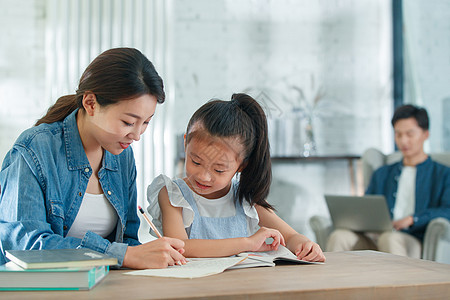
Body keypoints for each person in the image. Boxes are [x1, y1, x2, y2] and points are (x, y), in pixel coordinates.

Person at [0, 47, 186, 269]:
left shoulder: (122, 155)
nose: (136, 135)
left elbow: (127, 241)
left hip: (102, 285)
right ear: (90, 104)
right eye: (128, 122)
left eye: (145, 122)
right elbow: (24, 246)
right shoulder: (36, 149)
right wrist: (122, 255)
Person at [147, 93, 325, 262]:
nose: (203, 176)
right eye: (196, 161)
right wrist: (247, 243)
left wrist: (304, 244)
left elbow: (290, 236)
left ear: (241, 166)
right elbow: (180, 247)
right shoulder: (172, 194)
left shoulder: (244, 197)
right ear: (185, 144)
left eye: (219, 170)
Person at [327, 104, 450, 258]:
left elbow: (447, 210)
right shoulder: (382, 173)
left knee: (389, 238)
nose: (403, 140)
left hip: (411, 238)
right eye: (398, 134)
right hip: (376, 236)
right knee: (339, 236)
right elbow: (365, 207)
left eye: (409, 134)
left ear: (426, 134)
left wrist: (413, 219)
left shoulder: (443, 174)